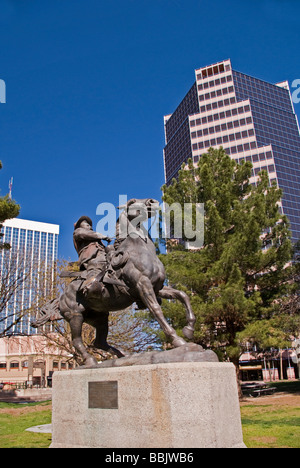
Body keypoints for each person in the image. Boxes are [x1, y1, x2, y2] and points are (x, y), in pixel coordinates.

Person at [73, 216, 111, 295]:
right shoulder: (78, 232)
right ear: (80, 226)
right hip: (90, 259)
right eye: (86, 224)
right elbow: (83, 233)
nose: (89, 226)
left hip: (103, 255)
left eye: (90, 225)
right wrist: (102, 236)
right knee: (97, 264)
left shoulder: (95, 239)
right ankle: (90, 286)